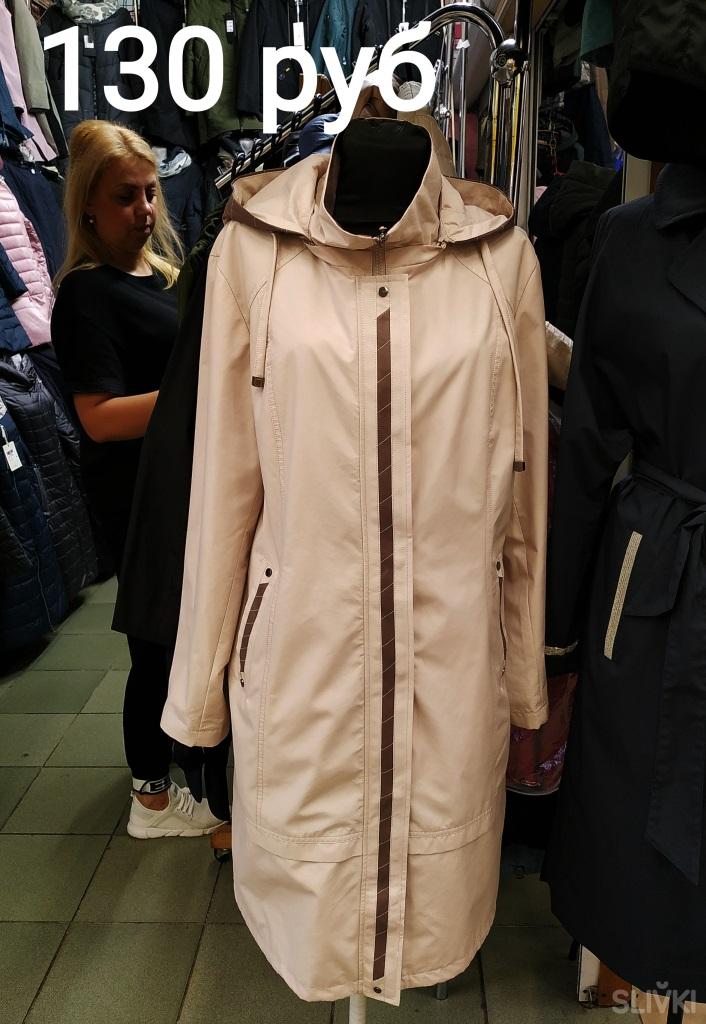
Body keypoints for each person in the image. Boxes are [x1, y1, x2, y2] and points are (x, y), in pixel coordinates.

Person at [51, 120, 225, 839]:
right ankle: (149, 799)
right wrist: (197, 392)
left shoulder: (160, 275)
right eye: (126, 197)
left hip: (178, 486)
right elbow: (98, 418)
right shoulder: (85, 295)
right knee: (154, 639)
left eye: (151, 193)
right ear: (88, 207)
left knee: (183, 631)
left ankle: (181, 761)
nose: (146, 210)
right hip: (134, 495)